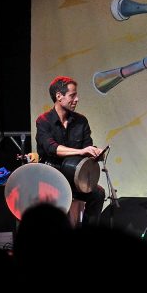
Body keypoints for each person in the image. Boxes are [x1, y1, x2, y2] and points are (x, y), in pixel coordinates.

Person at [35, 76, 105, 226]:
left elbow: (87, 147)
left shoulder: (81, 121)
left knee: (98, 193)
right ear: (59, 96)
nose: (77, 99)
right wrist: (80, 152)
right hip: (52, 178)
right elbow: (51, 148)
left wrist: (95, 153)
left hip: (74, 177)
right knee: (62, 200)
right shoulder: (43, 121)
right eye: (72, 95)